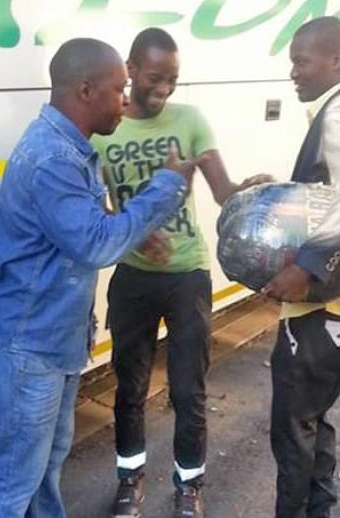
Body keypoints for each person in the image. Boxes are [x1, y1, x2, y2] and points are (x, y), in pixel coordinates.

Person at [0, 38, 196, 518]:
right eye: (118, 89)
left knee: (44, 467)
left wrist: (133, 232)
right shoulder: (54, 158)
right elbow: (93, 244)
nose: (125, 101)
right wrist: (167, 184)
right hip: (25, 346)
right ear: (86, 90)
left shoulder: (68, 150)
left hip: (50, 342)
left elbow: (81, 226)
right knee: (14, 480)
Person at [92, 27, 272, 518]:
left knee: (188, 390)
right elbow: (96, 210)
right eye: (155, 77)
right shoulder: (106, 129)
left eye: (172, 79)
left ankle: (189, 487)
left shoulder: (190, 120)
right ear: (130, 69)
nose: (164, 88)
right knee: (129, 387)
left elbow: (222, 191)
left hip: (187, 274)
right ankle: (130, 480)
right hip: (132, 277)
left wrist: (249, 190)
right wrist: (132, 233)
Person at [260, 17, 340, 517]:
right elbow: (329, 192)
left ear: (336, 60)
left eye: (301, 61)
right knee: (311, 419)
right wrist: (278, 189)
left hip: (330, 306)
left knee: (293, 429)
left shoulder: (339, 112)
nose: (293, 72)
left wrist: (308, 267)